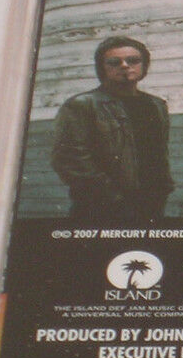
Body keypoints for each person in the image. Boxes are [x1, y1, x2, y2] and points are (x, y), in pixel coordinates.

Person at [51, 36, 174, 224]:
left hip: (152, 203)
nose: (125, 66)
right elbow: (70, 160)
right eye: (114, 62)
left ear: (144, 65)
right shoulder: (82, 105)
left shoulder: (156, 104)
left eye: (133, 60)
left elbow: (159, 152)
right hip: (102, 208)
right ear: (102, 68)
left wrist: (163, 189)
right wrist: (112, 197)